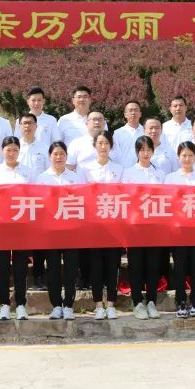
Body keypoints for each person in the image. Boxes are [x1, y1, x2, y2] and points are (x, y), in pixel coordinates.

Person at [0, 136, 35, 320]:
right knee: (2, 266)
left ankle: (21, 304)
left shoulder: (28, 171)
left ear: (19, 151)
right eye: (8, 150)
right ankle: (4, 304)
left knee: (21, 266)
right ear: (2, 151)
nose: (11, 153)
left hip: (22, 226)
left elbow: (33, 196)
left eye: (15, 150)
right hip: (1, 226)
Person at [80, 130, 124, 320]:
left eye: (106, 143)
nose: (103, 146)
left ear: (111, 146)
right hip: (94, 225)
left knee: (113, 265)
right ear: (94, 146)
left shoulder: (119, 169)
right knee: (96, 266)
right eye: (100, 143)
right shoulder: (86, 169)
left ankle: (111, 304)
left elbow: (123, 195)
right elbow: (82, 196)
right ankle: (98, 304)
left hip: (114, 225)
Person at [37, 141, 82, 320]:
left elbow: (82, 201)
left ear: (66, 156)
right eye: (55, 154)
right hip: (51, 231)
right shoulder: (42, 178)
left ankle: (69, 305)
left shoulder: (75, 178)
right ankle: (56, 305)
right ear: (50, 156)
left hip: (71, 230)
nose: (58, 157)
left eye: (62, 154)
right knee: (53, 269)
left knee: (71, 269)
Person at [122, 136, 166, 320]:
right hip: (135, 227)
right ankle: (137, 302)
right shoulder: (128, 173)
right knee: (136, 265)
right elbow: (125, 199)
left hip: (154, 227)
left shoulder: (160, 174)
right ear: (137, 152)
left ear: (153, 151)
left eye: (148, 149)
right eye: (142, 150)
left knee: (153, 266)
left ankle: (151, 301)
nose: (145, 153)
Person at [165, 141, 195, 318]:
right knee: (180, 267)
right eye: (184, 155)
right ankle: (181, 301)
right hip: (179, 230)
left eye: (190, 155)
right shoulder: (170, 178)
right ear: (178, 157)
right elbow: (167, 203)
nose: (187, 159)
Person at [112, 100, 145, 167]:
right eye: (130, 110)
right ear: (125, 115)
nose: (133, 113)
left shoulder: (146, 132)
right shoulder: (117, 133)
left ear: (140, 114)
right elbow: (114, 154)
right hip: (124, 170)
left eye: (136, 110)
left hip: (143, 170)